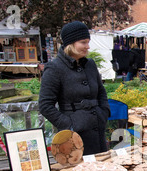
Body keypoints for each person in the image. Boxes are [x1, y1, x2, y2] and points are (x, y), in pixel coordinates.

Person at [38, 21, 111, 155]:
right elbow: (45, 105)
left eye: (88, 42)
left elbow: (101, 92)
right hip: (73, 136)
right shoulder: (54, 68)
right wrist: (69, 125)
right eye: (83, 42)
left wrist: (104, 112)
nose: (88, 46)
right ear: (71, 43)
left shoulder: (90, 64)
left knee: (100, 168)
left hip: (97, 129)